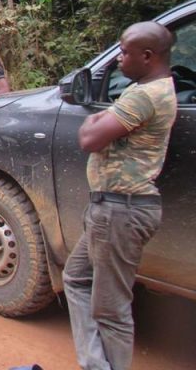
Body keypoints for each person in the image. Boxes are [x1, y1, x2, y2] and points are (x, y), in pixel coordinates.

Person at [62, 21, 176, 370]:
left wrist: (93, 122)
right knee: (76, 278)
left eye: (125, 52)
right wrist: (102, 121)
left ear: (148, 56)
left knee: (111, 311)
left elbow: (89, 139)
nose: (119, 59)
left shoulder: (144, 96)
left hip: (121, 211)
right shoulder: (152, 89)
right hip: (113, 209)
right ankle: (96, 364)